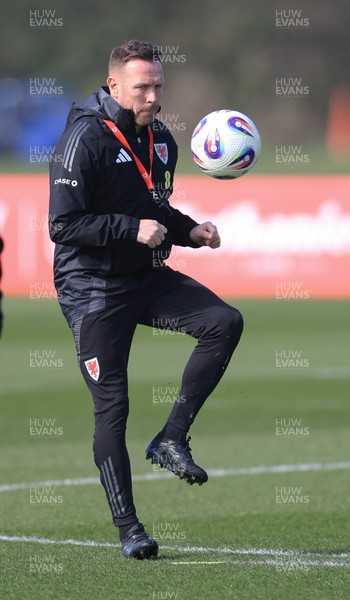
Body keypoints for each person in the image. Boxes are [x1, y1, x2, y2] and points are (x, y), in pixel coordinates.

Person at [49, 39, 243, 560]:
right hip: (92, 289)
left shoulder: (160, 140)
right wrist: (131, 228)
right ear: (114, 85)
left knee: (224, 322)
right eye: (143, 87)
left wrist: (191, 231)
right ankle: (130, 529)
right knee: (113, 409)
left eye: (158, 85)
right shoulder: (83, 139)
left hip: (145, 278)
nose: (154, 96)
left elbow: (157, 209)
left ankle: (172, 438)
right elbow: (62, 225)